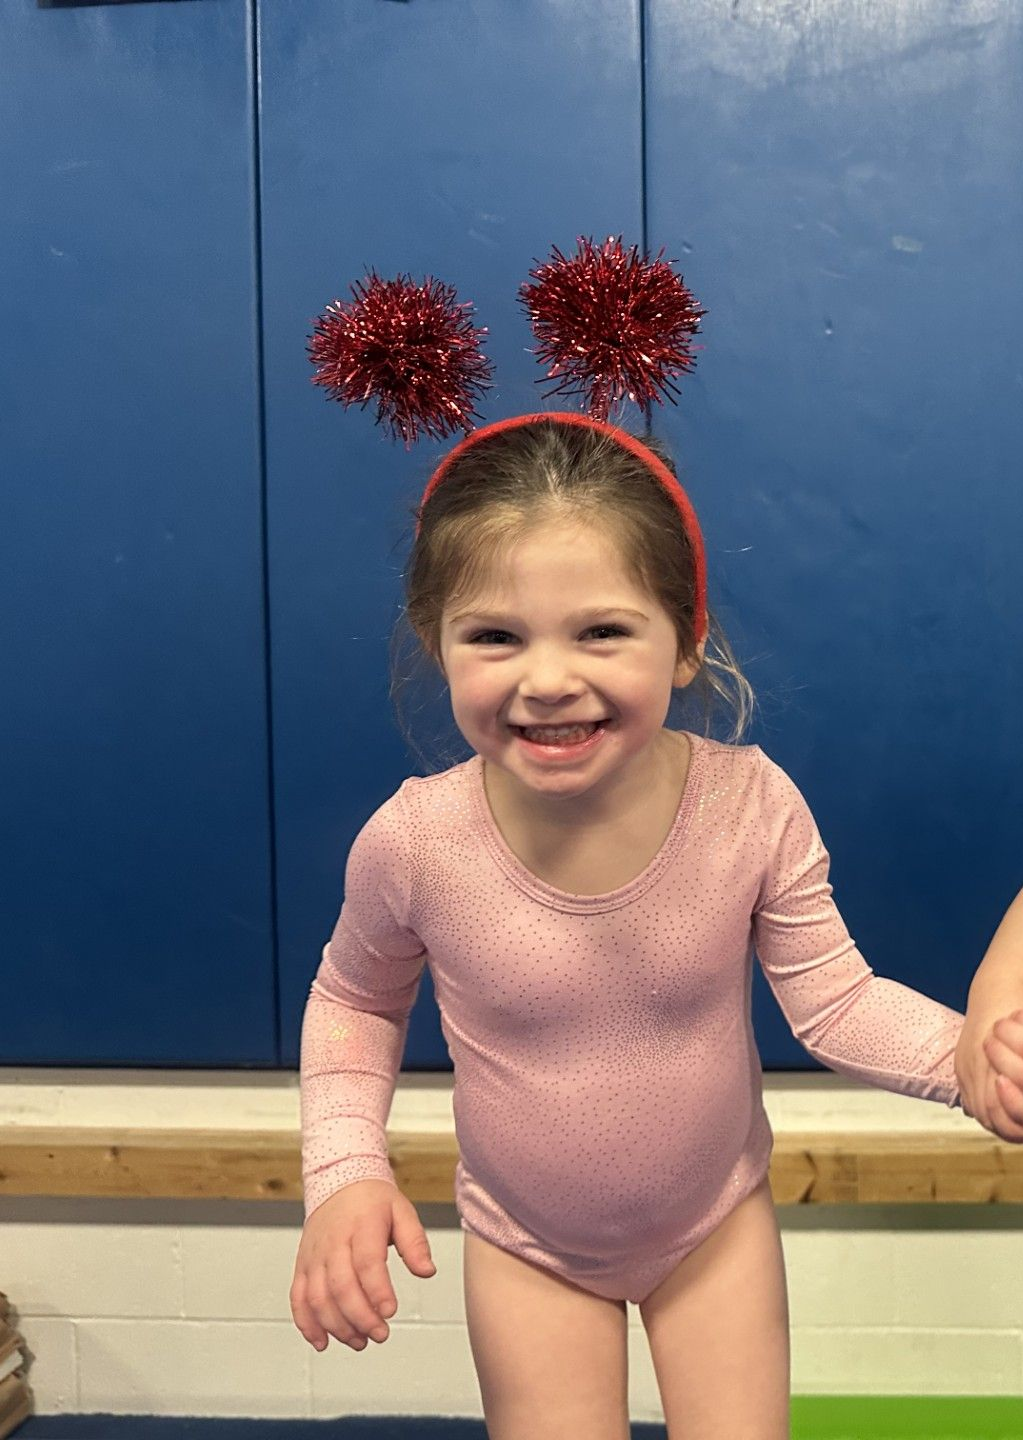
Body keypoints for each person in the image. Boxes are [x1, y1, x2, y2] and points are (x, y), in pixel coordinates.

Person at [289, 412, 1023, 1439]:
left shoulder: (751, 809)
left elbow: (838, 1004)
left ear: (686, 642)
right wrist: (342, 1175)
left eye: (601, 631)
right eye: (495, 636)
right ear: (436, 643)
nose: (547, 679)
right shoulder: (415, 844)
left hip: (712, 1233)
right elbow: (354, 1002)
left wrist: (967, 1064)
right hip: (527, 1247)